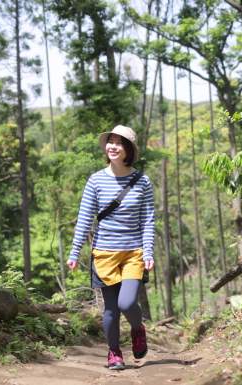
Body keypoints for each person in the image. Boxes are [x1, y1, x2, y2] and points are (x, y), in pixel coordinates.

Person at [66, 124, 155, 370]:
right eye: (111, 141)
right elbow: (84, 218)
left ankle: (138, 329)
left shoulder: (143, 182)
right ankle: (114, 352)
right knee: (111, 310)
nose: (113, 146)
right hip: (104, 254)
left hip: (133, 253)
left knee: (127, 303)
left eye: (119, 142)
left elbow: (148, 219)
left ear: (128, 149)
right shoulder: (95, 181)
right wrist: (75, 252)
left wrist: (148, 251)